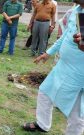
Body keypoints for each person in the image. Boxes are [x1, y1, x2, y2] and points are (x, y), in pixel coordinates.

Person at [22, 1, 84, 134]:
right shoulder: (76, 10)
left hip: (79, 73)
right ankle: (42, 124)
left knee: (76, 113)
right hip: (63, 66)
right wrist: (47, 53)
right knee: (45, 92)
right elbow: (65, 36)